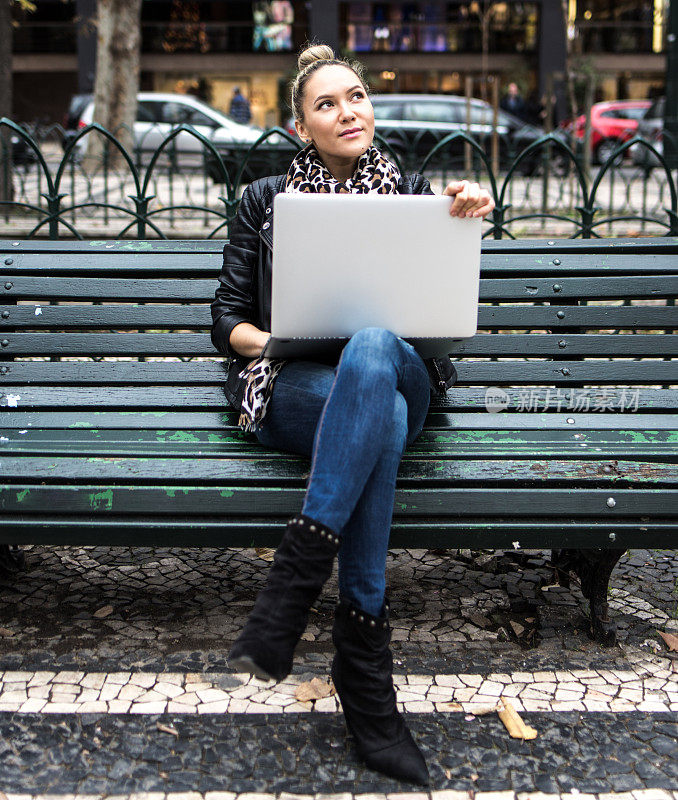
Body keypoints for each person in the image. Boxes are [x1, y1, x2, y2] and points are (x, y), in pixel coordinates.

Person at [211, 44, 494, 786]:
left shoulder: (418, 191)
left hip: (405, 370)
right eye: (326, 104)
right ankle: (365, 674)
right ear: (302, 127)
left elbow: (442, 312)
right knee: (383, 420)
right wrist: (287, 337)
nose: (348, 111)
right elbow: (226, 321)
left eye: (357, 96)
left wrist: (465, 217)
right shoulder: (266, 199)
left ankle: (291, 589)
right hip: (300, 383)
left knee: (374, 347)